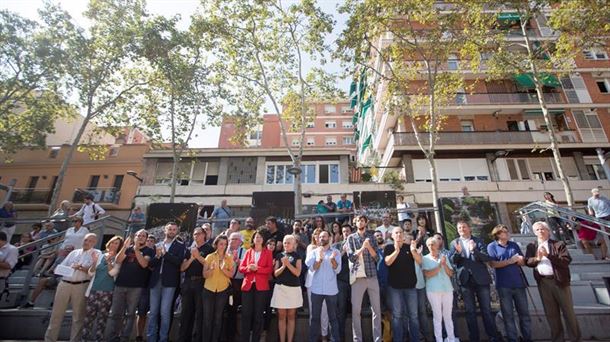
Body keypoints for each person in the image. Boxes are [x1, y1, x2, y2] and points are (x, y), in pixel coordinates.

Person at [525, 221, 581, 342]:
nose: (540, 231)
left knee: (568, 312)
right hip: (543, 282)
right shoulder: (532, 246)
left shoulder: (558, 244)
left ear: (548, 231)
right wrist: (537, 258)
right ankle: (557, 339)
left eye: (543, 229)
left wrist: (549, 255)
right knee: (551, 313)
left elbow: (565, 261)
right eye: (538, 230)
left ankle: (575, 338)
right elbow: (528, 262)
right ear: (534, 232)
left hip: (559, 281)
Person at [44, 233, 101, 342]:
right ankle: (49, 339)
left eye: (89, 240)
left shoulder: (97, 253)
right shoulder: (74, 253)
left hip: (81, 285)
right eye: (85, 240)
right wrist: (69, 267)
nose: (86, 242)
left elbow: (94, 272)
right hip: (65, 284)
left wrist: (81, 268)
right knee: (56, 314)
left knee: (78, 317)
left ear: (94, 242)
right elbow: (60, 268)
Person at [449, 221, 498, 342]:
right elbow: (452, 261)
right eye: (459, 227)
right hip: (465, 280)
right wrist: (458, 252)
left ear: (469, 228)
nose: (462, 229)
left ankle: (493, 336)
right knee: (470, 311)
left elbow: (487, 257)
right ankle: (474, 338)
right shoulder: (454, 243)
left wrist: (474, 250)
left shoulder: (478, 241)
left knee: (486, 310)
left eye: (464, 227)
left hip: (481, 279)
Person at [107, 229, 155, 342]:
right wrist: (125, 247)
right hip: (120, 284)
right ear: (135, 237)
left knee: (130, 314)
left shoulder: (149, 250)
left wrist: (137, 250)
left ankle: (124, 338)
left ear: (146, 238)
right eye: (138, 235)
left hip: (136, 287)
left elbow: (144, 264)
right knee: (116, 313)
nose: (141, 237)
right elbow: (118, 260)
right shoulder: (127, 249)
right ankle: (113, 337)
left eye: (143, 236)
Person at [487, 225, 532, 342]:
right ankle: (513, 339)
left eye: (507, 232)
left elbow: (522, 263)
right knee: (508, 316)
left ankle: (527, 338)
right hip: (503, 285)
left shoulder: (514, 245)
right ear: (497, 234)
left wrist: (521, 260)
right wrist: (510, 261)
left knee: (524, 314)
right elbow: (493, 264)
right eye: (504, 232)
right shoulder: (492, 246)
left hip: (519, 284)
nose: (507, 234)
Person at [147, 222, 187, 342]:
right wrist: (157, 257)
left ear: (177, 232)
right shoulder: (157, 245)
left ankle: (163, 339)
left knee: (165, 312)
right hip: (155, 281)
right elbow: (151, 264)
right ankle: (151, 338)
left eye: (174, 230)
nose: (171, 231)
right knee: (153, 312)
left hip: (169, 283)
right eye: (169, 229)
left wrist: (166, 254)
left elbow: (179, 262)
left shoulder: (181, 246)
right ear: (165, 230)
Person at [346, 215, 382, 342]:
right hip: (358, 278)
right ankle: (357, 339)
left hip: (372, 276)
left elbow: (377, 258)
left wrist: (369, 247)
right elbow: (351, 257)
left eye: (362, 220)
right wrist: (362, 248)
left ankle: (377, 339)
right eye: (357, 221)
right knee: (356, 311)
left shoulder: (372, 237)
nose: (360, 222)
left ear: (366, 222)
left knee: (377, 310)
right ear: (355, 223)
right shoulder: (350, 238)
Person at [82, 236, 123, 342]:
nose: (113, 244)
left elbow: (112, 273)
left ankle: (98, 339)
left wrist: (109, 261)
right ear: (108, 243)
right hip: (94, 290)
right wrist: (95, 263)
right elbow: (91, 273)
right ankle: (84, 339)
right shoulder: (100, 255)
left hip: (107, 292)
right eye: (112, 242)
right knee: (88, 318)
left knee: (102, 319)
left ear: (120, 246)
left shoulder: (119, 258)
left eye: (117, 243)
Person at [384, 227, 421, 342]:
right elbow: (387, 262)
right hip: (395, 287)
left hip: (410, 287)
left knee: (413, 316)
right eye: (396, 233)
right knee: (397, 316)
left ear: (404, 235)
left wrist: (413, 250)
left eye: (401, 232)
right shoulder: (389, 247)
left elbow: (420, 261)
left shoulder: (409, 247)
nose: (399, 234)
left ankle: (415, 339)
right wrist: (397, 251)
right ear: (392, 236)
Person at [178, 227, 214, 342]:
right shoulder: (189, 249)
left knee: (199, 313)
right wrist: (191, 258)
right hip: (188, 282)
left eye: (198, 234)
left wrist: (198, 257)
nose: (196, 236)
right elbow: (182, 268)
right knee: (185, 313)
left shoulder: (209, 249)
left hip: (201, 283)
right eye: (194, 234)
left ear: (204, 235)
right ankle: (183, 338)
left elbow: (210, 265)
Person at [306, 230, 342, 342]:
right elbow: (311, 268)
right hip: (316, 290)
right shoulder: (313, 252)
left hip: (331, 290)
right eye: (320, 237)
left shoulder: (336, 252)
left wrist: (332, 260)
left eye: (324, 236)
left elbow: (338, 270)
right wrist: (319, 259)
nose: (321, 238)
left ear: (329, 238)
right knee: (315, 318)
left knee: (333, 318)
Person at [239, 231, 273, 342]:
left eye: (260, 237)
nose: (258, 239)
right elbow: (241, 268)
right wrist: (249, 268)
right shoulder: (248, 252)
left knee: (258, 315)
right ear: (253, 239)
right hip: (248, 286)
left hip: (261, 287)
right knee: (246, 314)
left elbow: (269, 270)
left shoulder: (267, 252)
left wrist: (257, 269)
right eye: (256, 237)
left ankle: (256, 339)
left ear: (263, 240)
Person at [423, 237, 456, 342]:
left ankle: (451, 339)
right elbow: (428, 274)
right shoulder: (425, 258)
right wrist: (439, 265)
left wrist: (444, 264)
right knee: (437, 316)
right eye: (429, 245)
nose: (431, 246)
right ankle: (439, 339)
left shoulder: (444, 256)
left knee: (448, 316)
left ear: (437, 245)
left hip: (447, 289)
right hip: (433, 290)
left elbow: (450, 273)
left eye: (433, 244)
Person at [271, 235, 303, 342]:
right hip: (280, 289)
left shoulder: (297, 256)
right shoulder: (279, 255)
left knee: (291, 316)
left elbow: (297, 273)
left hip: (293, 289)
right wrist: (283, 266)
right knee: (281, 316)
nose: (286, 245)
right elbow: (275, 273)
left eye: (288, 242)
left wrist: (288, 264)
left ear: (294, 244)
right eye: (285, 242)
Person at [203, 235, 234, 342]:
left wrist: (222, 269)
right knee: (207, 318)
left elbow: (231, 274)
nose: (223, 246)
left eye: (225, 244)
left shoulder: (229, 258)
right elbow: (205, 275)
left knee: (218, 318)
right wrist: (211, 269)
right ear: (216, 244)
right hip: (209, 289)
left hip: (222, 290)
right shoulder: (209, 257)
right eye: (221, 244)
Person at [305, 228, 330, 340]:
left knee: (324, 311)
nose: (318, 236)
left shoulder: (329, 249)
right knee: (313, 312)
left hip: (325, 283)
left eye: (320, 235)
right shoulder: (311, 247)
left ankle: (324, 335)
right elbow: (311, 263)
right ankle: (313, 336)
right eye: (316, 234)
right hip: (312, 283)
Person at [333, 224, 352, 342]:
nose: (346, 233)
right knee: (341, 311)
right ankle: (340, 338)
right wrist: (343, 252)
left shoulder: (357, 245)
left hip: (356, 281)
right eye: (344, 231)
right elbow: (332, 263)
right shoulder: (336, 247)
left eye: (348, 231)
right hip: (341, 282)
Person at [226, 232, 247, 342]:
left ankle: (231, 336)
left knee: (232, 310)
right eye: (230, 239)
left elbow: (246, 269)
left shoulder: (245, 252)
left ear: (240, 241)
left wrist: (238, 262)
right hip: (223, 283)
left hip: (237, 284)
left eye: (234, 239)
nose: (231, 241)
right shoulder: (224, 251)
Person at [136, 235, 157, 342]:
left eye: (151, 241)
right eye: (147, 240)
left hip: (151, 286)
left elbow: (152, 266)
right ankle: (139, 335)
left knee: (150, 313)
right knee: (141, 313)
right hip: (139, 285)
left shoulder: (155, 253)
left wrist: (147, 263)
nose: (149, 242)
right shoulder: (140, 251)